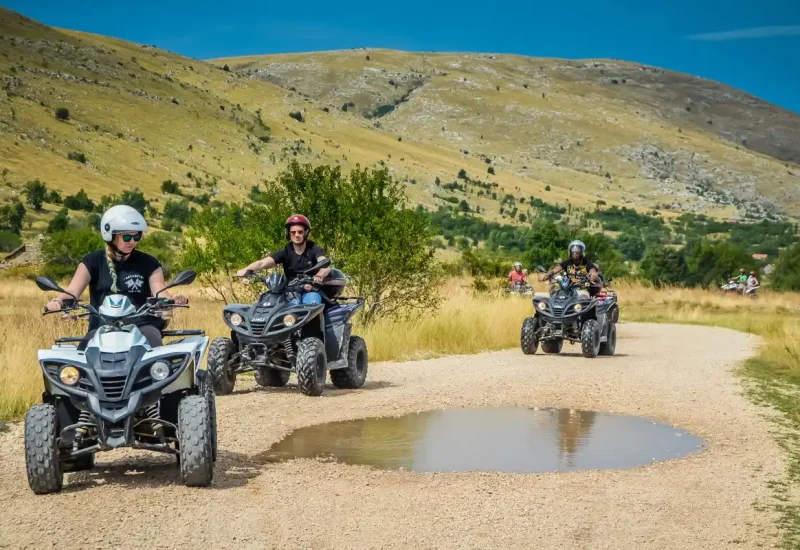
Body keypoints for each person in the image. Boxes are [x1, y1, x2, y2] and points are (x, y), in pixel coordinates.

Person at [44, 205, 187, 349]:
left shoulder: (149, 263)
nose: (132, 241)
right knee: (80, 359)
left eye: (136, 236)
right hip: (101, 329)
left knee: (155, 351)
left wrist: (172, 300)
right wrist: (58, 301)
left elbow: (160, 290)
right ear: (111, 236)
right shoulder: (92, 261)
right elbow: (72, 291)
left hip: (141, 328)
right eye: (126, 236)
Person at [236, 214, 332, 305]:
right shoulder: (286, 251)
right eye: (293, 232)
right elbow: (262, 263)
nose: (296, 235)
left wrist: (318, 276)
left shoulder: (314, 248)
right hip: (291, 291)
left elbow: (324, 265)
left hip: (311, 289)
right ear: (288, 234)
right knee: (276, 307)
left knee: (313, 305)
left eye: (300, 232)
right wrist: (246, 269)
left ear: (306, 233)